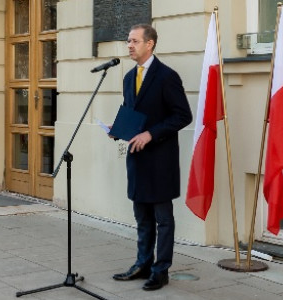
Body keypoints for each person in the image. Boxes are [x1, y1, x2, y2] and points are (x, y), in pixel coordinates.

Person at [109, 24, 192, 291]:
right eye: (128, 41)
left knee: (162, 218)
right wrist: (118, 129)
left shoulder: (167, 76)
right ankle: (143, 263)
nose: (129, 45)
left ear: (150, 44)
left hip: (160, 158)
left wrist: (150, 135)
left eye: (134, 41)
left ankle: (161, 270)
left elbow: (182, 116)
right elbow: (131, 109)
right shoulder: (128, 77)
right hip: (137, 158)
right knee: (142, 217)